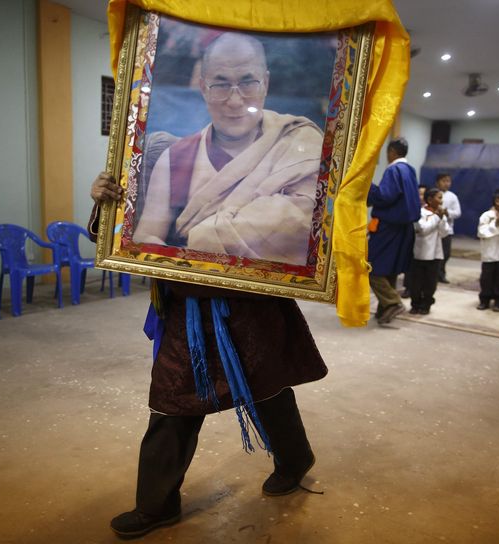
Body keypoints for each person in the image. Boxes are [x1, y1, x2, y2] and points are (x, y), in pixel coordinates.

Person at [89, 173, 328, 538]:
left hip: (253, 302)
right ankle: (157, 504)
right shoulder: (165, 160)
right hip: (188, 307)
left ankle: (295, 461)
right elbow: (122, 235)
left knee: (268, 389)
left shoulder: (279, 158)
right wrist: (105, 204)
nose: (229, 110)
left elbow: (298, 230)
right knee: (172, 402)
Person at [133, 32, 323, 266]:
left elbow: (306, 226)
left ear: (265, 83)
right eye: (221, 85)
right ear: (203, 88)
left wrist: (203, 241)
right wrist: (183, 270)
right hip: (190, 297)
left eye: (247, 83)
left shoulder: (298, 143)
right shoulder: (175, 158)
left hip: (266, 300)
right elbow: (146, 235)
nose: (235, 100)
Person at [367, 137, 422, 324]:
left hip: (388, 226)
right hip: (405, 228)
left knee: (370, 266)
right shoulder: (410, 170)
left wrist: (366, 186)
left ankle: (392, 302)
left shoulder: (393, 169)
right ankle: (384, 312)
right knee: (389, 269)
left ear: (391, 152)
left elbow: (385, 196)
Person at [409, 188, 451, 314]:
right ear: (429, 199)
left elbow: (444, 233)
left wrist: (441, 219)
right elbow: (422, 229)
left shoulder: (439, 214)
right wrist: (437, 218)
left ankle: (426, 305)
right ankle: (415, 304)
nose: (441, 201)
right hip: (419, 253)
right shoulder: (420, 213)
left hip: (435, 255)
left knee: (430, 283)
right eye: (439, 198)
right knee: (416, 282)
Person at [400, 183, 428, 299]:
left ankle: (420, 288)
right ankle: (408, 288)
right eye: (419, 194)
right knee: (410, 265)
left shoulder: (428, 209)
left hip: (424, 243)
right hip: (410, 240)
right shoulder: (410, 206)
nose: (420, 197)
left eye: (423, 194)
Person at [435, 173, 461, 283]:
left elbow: (458, 213)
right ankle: (434, 274)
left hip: (447, 229)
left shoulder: (452, 196)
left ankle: (441, 274)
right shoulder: (432, 194)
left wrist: (447, 212)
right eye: (444, 181)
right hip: (433, 229)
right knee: (434, 254)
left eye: (448, 181)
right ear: (437, 182)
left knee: (446, 253)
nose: (446, 183)